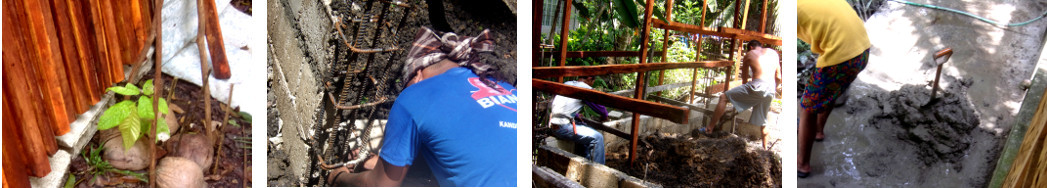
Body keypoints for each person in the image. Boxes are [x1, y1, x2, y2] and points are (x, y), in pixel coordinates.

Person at [327, 28, 517, 186]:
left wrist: (339, 177)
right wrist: (383, 165)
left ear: (417, 74)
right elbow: (468, 159)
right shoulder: (508, 89)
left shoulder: (414, 96)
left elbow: (380, 186)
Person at [797, 0, 872, 178]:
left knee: (807, 108)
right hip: (862, 51)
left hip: (840, 58)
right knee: (831, 92)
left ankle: (802, 164)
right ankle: (818, 131)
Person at [705, 40, 781, 150]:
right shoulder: (773, 53)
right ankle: (766, 150)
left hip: (757, 86)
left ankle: (709, 128)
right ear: (761, 45)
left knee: (723, 98)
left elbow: (745, 81)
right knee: (764, 122)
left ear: (750, 47)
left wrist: (748, 96)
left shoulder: (749, 54)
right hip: (770, 90)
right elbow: (778, 78)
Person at [549, 76, 609, 164]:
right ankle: (598, 169)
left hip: (554, 123)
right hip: (561, 127)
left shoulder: (567, 84)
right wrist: (605, 117)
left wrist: (575, 115)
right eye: (593, 82)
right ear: (589, 79)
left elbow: (562, 106)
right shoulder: (585, 89)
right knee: (597, 138)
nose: (592, 84)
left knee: (584, 127)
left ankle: (586, 160)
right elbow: (601, 109)